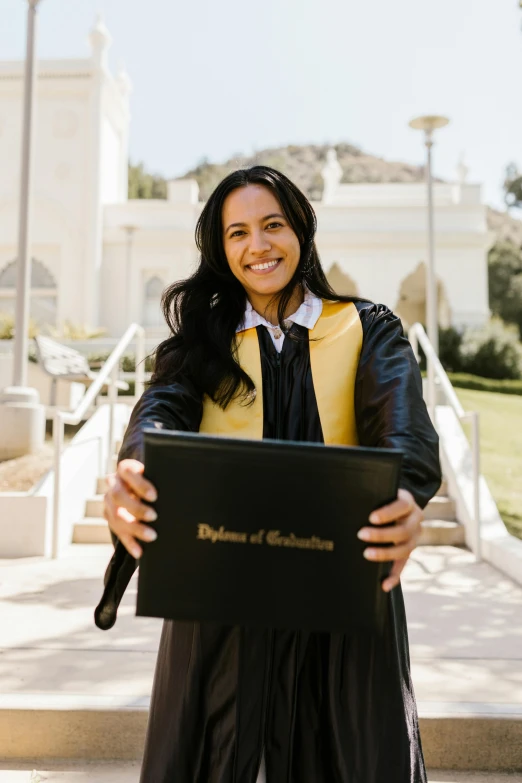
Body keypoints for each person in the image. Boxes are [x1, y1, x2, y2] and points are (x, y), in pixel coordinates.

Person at [95, 165, 441, 783]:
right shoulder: (199, 345)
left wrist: (409, 494)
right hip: (222, 596)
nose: (258, 246)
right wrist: (134, 466)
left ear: (301, 231)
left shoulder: (367, 329)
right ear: (220, 248)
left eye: (273, 225)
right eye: (238, 233)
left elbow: (405, 427)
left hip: (342, 591)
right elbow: (159, 414)